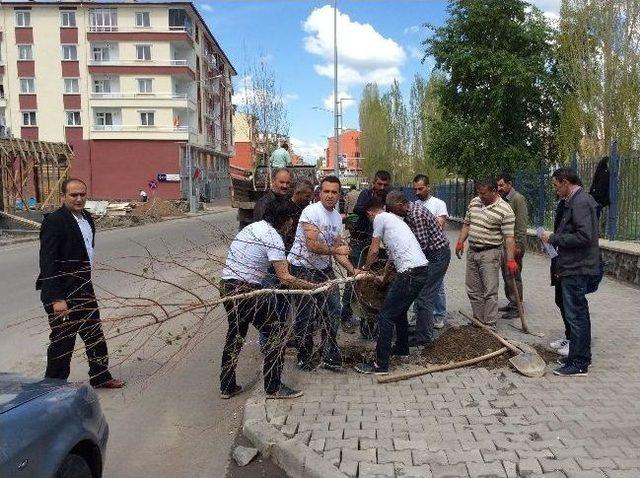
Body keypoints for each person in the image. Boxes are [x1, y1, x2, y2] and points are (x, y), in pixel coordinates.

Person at [219, 200, 319, 399]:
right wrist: (313, 287)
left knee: (236, 335)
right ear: (286, 220)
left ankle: (227, 386)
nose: (292, 225)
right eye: (291, 220)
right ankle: (273, 387)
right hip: (247, 291)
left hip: (227, 287)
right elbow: (285, 277)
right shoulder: (273, 237)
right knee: (277, 333)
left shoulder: (252, 228)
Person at [36, 178, 124, 389]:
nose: (78, 199)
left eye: (82, 194)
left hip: (84, 288)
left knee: (94, 334)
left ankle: (100, 376)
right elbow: (48, 262)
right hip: (62, 292)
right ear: (63, 197)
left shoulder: (87, 219)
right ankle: (53, 386)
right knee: (63, 341)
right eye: (73, 195)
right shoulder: (54, 221)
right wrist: (57, 298)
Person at [288, 176, 359, 371]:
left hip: (323, 269)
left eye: (334, 192)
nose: (329, 195)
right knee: (306, 314)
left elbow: (337, 249)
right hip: (302, 268)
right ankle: (304, 356)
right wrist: (337, 250)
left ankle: (329, 352)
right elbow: (311, 245)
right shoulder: (310, 212)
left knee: (334, 308)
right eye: (326, 191)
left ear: (339, 195)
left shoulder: (336, 216)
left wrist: (354, 270)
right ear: (319, 193)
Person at [354, 197, 429, 375]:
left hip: (410, 273)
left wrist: (364, 270)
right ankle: (402, 348)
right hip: (419, 271)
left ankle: (381, 365)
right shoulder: (394, 221)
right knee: (399, 311)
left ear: (370, 213)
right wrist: (384, 278)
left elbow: (373, 250)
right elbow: (392, 258)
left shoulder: (379, 218)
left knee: (385, 316)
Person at [541, 168, 601, 377]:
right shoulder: (574, 201)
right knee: (575, 313)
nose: (556, 190)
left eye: (556, 186)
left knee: (576, 315)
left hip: (578, 267)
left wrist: (555, 239)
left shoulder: (581, 202)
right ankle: (576, 356)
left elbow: (585, 236)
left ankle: (580, 363)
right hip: (572, 266)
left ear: (565, 182)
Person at [385, 191, 450, 348]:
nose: (393, 215)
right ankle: (421, 329)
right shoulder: (408, 213)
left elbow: (420, 245)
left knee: (424, 296)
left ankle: (424, 336)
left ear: (401, 205)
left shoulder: (416, 215)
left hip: (437, 256)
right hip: (430, 255)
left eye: (394, 211)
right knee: (421, 294)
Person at [455, 178, 518, 326]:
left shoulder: (505, 210)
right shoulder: (474, 202)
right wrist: (460, 241)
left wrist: (510, 259)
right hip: (472, 251)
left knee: (489, 291)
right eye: (479, 193)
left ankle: (489, 324)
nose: (481, 196)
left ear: (494, 191)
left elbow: (509, 237)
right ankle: (478, 320)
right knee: (473, 289)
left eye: (484, 194)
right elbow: (467, 224)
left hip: (490, 253)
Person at [341, 170, 391, 335]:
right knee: (354, 278)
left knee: (373, 278)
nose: (381, 187)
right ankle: (345, 316)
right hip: (359, 242)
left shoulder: (387, 197)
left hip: (374, 242)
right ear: (373, 182)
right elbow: (358, 210)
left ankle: (370, 313)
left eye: (385, 185)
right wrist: (377, 209)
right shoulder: (365, 194)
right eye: (379, 184)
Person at [413, 174, 449, 329]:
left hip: (435, 251)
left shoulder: (438, 204)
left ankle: (439, 315)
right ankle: (419, 314)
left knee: (437, 284)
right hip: (419, 251)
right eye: (415, 189)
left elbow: (438, 225)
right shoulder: (414, 205)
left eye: (421, 188)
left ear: (428, 187)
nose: (418, 192)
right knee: (418, 282)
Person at [496, 172, 529, 320]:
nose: (499, 188)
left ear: (509, 184)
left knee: (514, 275)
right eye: (498, 185)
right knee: (506, 275)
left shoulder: (518, 199)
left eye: (502, 185)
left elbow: (521, 224)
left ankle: (517, 306)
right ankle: (512, 301)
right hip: (504, 244)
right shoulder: (502, 199)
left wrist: (519, 246)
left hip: (514, 245)